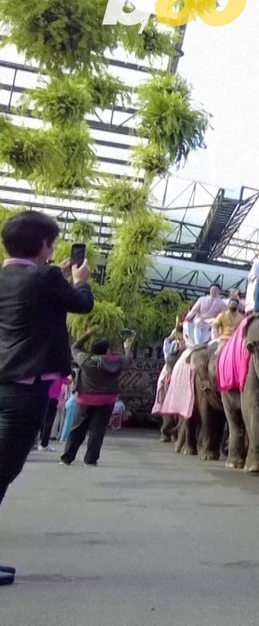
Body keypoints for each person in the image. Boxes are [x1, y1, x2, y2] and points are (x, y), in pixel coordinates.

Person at [0, 211, 94, 585]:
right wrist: (81, 280)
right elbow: (81, 305)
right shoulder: (47, 277)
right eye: (51, 244)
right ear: (43, 246)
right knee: (3, 471)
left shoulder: (8, 277)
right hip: (26, 390)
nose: (53, 250)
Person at [60, 329, 132, 466]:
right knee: (97, 430)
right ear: (107, 350)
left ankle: (67, 457)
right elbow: (128, 360)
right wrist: (127, 348)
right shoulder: (116, 362)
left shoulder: (86, 360)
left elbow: (74, 347)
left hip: (85, 400)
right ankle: (91, 459)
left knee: (78, 428)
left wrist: (88, 333)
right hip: (107, 400)